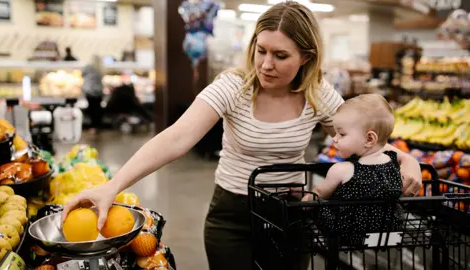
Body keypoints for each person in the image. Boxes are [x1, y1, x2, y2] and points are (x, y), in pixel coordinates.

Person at [62, 2, 422, 269]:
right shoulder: (234, 86)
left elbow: (364, 140)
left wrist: (405, 159)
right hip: (230, 216)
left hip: (290, 213)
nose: (266, 64)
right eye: (261, 51)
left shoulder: (318, 93)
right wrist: (112, 186)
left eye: (281, 55)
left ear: (306, 58)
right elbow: (177, 138)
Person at [303, 94, 403, 246]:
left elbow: (320, 193)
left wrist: (305, 201)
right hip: (388, 234)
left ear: (369, 139)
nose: (334, 139)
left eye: (342, 134)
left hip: (348, 235)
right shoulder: (393, 162)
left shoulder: (341, 169)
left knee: (317, 202)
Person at [81, 57, 104, 134]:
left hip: (90, 91)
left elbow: (82, 74)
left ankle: (93, 126)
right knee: (97, 109)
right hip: (99, 92)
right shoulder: (100, 68)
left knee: (92, 109)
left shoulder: (89, 67)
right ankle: (98, 126)